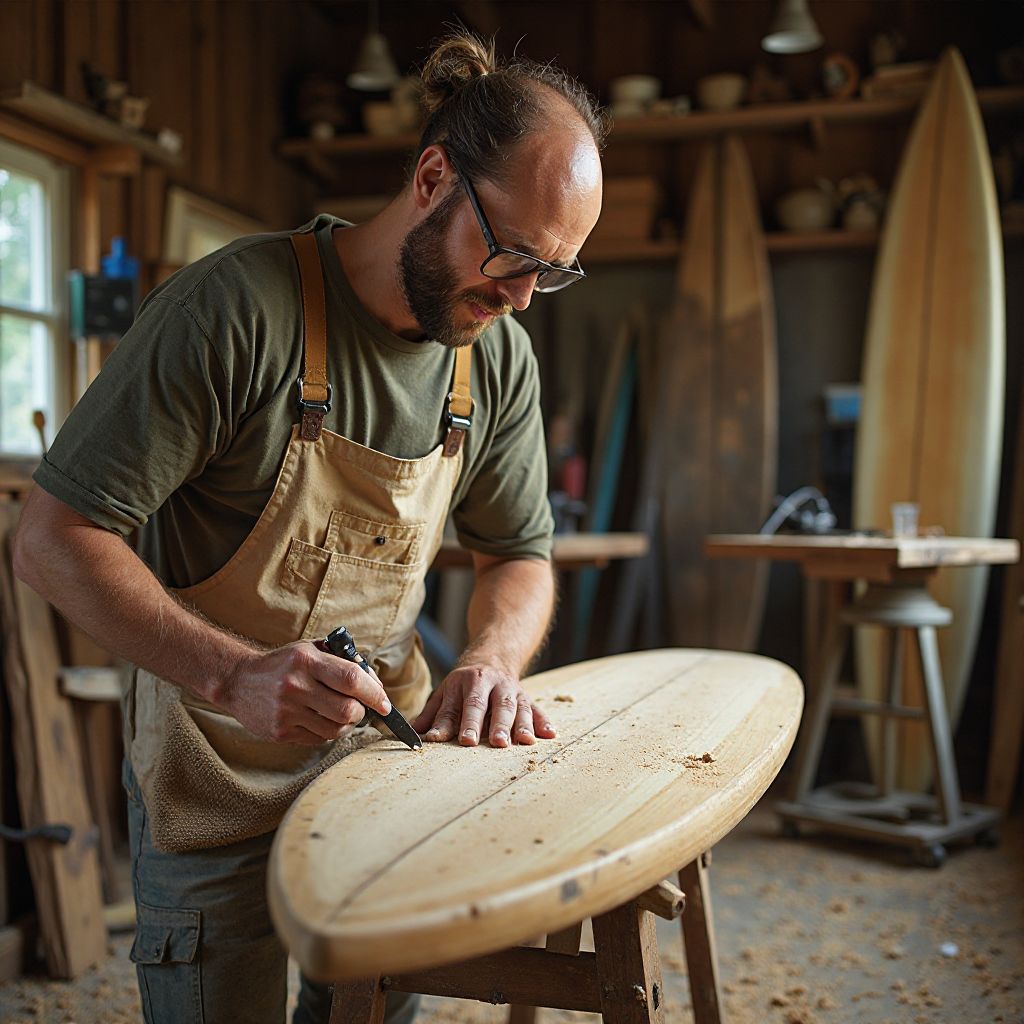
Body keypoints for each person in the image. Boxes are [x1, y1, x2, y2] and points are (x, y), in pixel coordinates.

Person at [12, 28, 605, 1024]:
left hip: (384, 755)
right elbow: (52, 539)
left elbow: (518, 552)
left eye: (549, 274)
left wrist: (495, 659)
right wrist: (236, 675)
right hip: (213, 760)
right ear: (431, 178)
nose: (515, 298)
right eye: (508, 254)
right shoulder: (235, 310)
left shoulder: (493, 360)